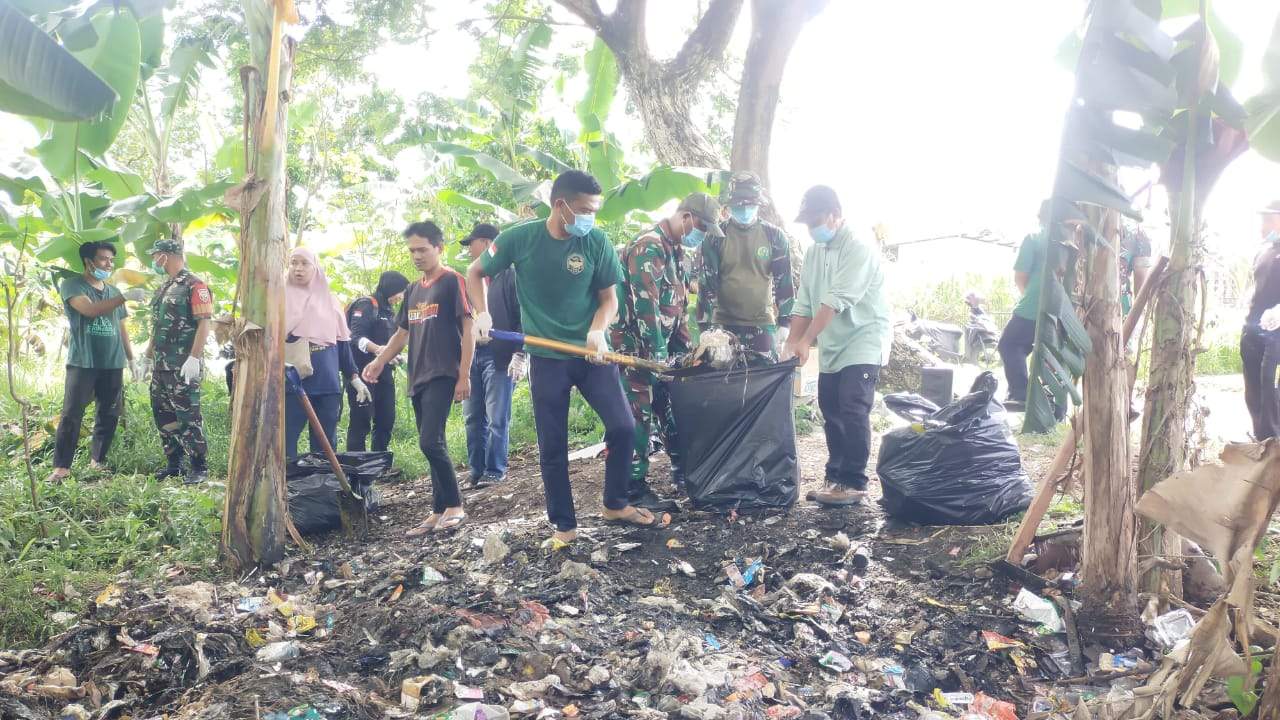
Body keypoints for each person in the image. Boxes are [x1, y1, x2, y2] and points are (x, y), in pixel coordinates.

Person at [467, 170, 651, 545]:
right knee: (553, 446)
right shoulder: (521, 238)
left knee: (623, 427)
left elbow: (609, 299)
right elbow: (475, 272)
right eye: (584, 210)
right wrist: (480, 314)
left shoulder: (596, 241)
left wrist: (598, 330)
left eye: (595, 211)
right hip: (547, 357)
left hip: (590, 354)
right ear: (560, 205)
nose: (591, 218)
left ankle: (615, 503)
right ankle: (564, 525)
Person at [612, 192, 724, 509]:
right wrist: (658, 355)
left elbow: (676, 308)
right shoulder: (649, 246)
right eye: (701, 227)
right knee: (639, 414)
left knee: (672, 407)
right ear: (686, 217)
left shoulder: (675, 251)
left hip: (660, 348)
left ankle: (682, 469)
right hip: (636, 349)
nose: (700, 235)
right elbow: (645, 305)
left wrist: (687, 353)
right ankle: (632, 489)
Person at [783, 186, 889, 507]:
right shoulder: (815, 253)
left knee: (852, 406)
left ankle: (854, 481)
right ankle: (835, 476)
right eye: (807, 223)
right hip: (833, 343)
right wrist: (789, 344)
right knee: (830, 406)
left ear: (834, 215)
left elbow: (832, 303)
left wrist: (805, 341)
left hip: (864, 339)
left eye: (815, 220)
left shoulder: (859, 247)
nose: (812, 228)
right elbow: (804, 304)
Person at [362, 221, 471, 535]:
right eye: (412, 250)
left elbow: (468, 329)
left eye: (422, 249)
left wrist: (464, 375)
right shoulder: (412, 289)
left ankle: (455, 505)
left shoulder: (452, 281)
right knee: (431, 443)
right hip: (417, 374)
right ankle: (438, 510)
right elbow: (402, 333)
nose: (417, 255)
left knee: (429, 441)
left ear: (439, 247)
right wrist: (379, 361)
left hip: (443, 371)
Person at [47, 241, 147, 481]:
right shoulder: (72, 285)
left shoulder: (112, 291)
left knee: (109, 413)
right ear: (88, 262)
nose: (108, 264)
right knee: (72, 413)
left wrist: (132, 359)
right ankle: (61, 468)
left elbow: (121, 325)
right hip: (83, 361)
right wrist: (124, 297)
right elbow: (90, 310)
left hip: (112, 362)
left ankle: (98, 461)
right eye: (103, 259)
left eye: (111, 260)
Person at [284, 247, 371, 459]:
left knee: (325, 444)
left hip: (327, 382)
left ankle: (323, 488)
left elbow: (342, 344)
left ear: (315, 268)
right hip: (292, 383)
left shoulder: (330, 301)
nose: (298, 268)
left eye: (305, 263)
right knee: (286, 441)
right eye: (294, 263)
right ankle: (289, 488)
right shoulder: (279, 299)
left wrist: (355, 378)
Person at [697, 171, 795, 358]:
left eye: (748, 205)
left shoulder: (774, 236)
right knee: (721, 380)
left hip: (761, 322)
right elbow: (707, 284)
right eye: (738, 206)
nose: (744, 210)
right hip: (723, 324)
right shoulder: (715, 237)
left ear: (758, 204)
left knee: (764, 378)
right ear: (730, 205)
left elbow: (784, 281)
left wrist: (784, 322)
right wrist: (705, 327)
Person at [460, 222, 525, 489]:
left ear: (487, 244)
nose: (468, 251)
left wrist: (520, 355)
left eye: (472, 244)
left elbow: (523, 317)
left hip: (500, 355)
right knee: (472, 417)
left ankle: (495, 470)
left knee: (498, 416)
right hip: (472, 354)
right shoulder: (468, 279)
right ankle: (476, 469)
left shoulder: (510, 276)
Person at [146, 239, 213, 484]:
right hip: (161, 365)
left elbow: (204, 323)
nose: (154, 261)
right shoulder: (164, 287)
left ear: (166, 255)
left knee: (188, 415)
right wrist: (146, 357)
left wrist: (194, 357)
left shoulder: (195, 285)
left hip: (183, 365)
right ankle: (174, 464)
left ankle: (198, 466)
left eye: (156, 256)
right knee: (163, 414)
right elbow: (157, 327)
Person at [345, 270, 410, 452]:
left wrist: (393, 355)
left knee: (386, 419)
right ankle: (356, 468)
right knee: (361, 420)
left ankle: (379, 463)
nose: (401, 298)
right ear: (392, 288)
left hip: (385, 373)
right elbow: (356, 337)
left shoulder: (389, 311)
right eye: (400, 293)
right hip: (362, 373)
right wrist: (379, 351)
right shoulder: (366, 305)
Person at [997, 204, 1050, 410]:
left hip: (1035, 305)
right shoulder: (1075, 238)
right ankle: (1055, 407)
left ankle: (1020, 395)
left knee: (1009, 344)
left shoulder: (1034, 238)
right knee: (1050, 355)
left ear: (1040, 217)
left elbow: (1021, 277)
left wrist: (1030, 297)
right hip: (1068, 309)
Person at [1242, 201, 1280, 441]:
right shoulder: (1263, 250)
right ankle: (1261, 441)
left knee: (1269, 386)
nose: (1262, 225)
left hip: (1276, 332)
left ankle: (1274, 441)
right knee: (1253, 390)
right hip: (1252, 328)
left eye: (1268, 219)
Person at [1119, 221, 1154, 315]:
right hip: (1083, 307)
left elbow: (1141, 292)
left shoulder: (1137, 234)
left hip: (1121, 312)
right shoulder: (1136, 232)